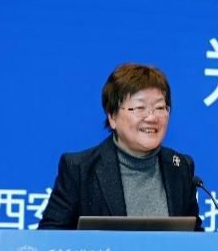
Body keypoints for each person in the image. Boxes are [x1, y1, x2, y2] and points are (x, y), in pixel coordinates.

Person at [38, 63, 202, 229]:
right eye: (140, 108)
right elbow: (50, 234)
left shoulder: (180, 167)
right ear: (112, 117)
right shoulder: (80, 169)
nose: (152, 117)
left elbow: (194, 236)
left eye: (160, 107)